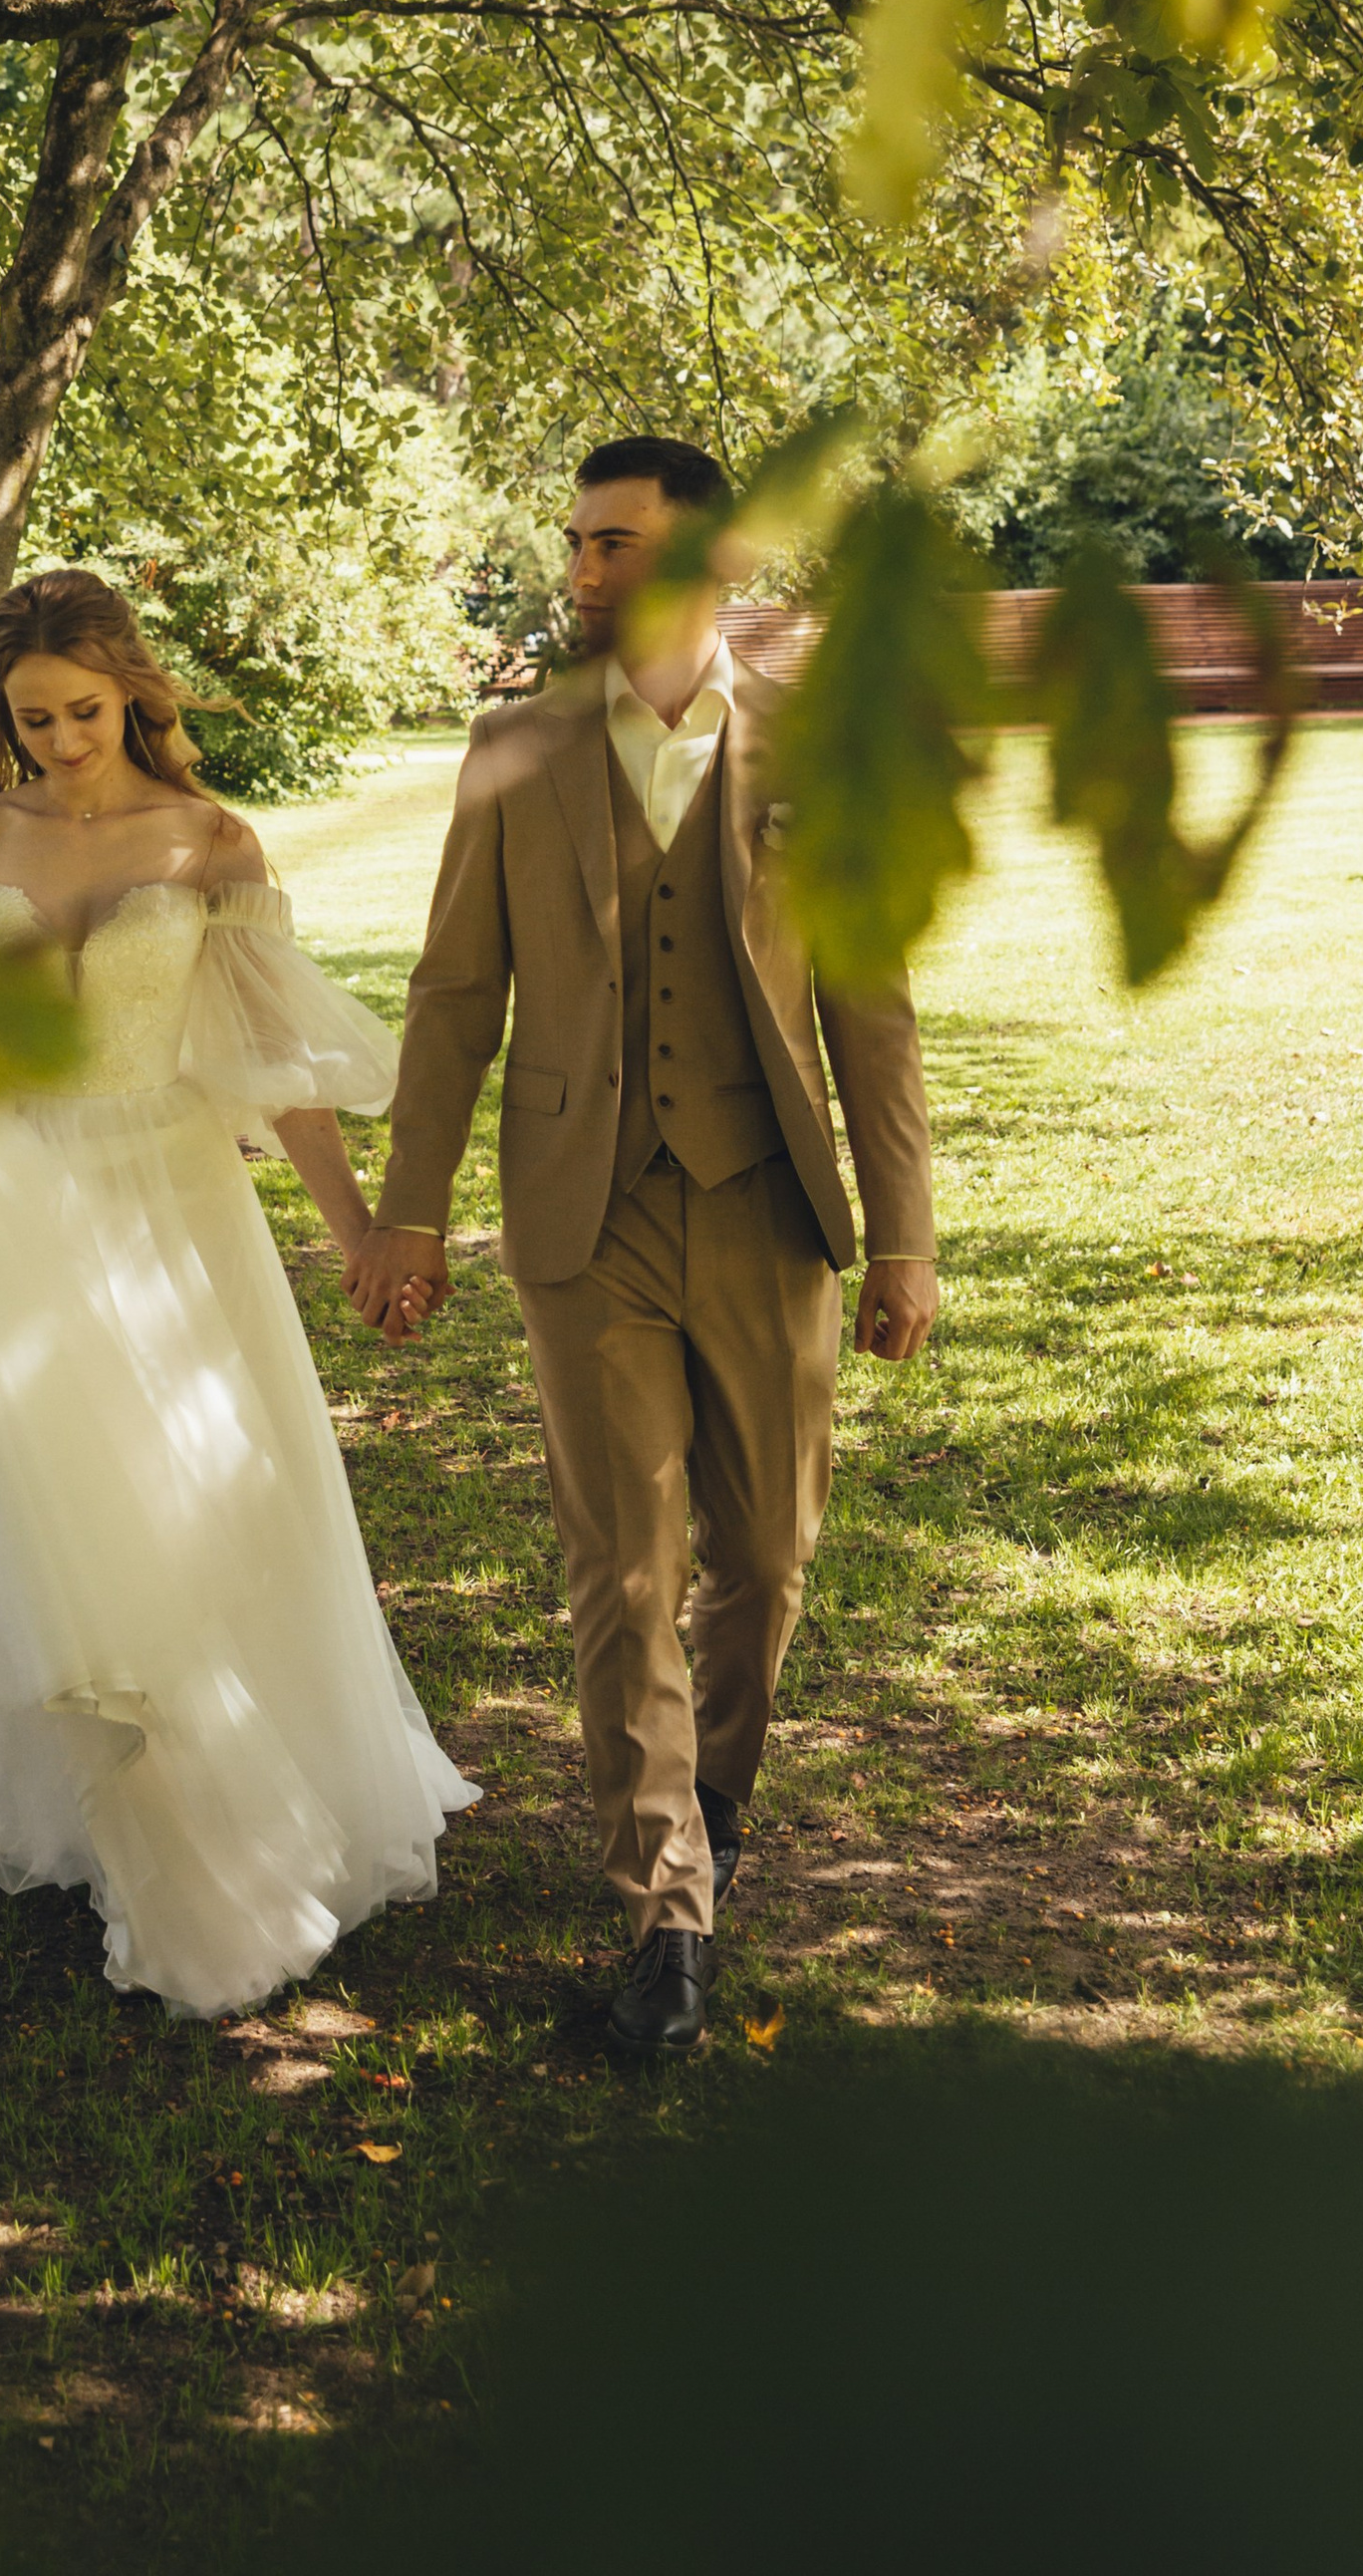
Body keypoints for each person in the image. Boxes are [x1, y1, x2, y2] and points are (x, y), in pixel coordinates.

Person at [346, 437, 939, 2053]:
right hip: (579, 1214)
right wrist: (409, 1206)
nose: (585, 572)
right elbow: (458, 996)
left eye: (616, 546)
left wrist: (906, 1240)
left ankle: (716, 1804)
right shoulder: (514, 750)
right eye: (580, 545)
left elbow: (871, 1010)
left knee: (764, 1564)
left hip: (766, 1209)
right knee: (625, 1568)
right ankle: (664, 1903)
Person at [0, 568, 477, 2018]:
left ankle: (233, 1818)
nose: (62, 742)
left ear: (133, 694)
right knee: (65, 1527)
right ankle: (134, 1825)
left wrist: (354, 1234)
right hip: (17, 1222)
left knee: (199, 1503)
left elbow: (274, 1066)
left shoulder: (210, 842)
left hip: (176, 1211)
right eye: (32, 720)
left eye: (82, 712)